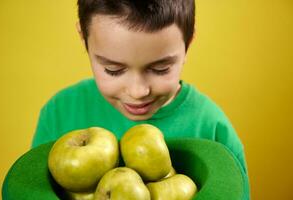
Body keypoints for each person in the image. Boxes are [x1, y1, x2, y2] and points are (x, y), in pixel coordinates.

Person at [32, 0, 250, 198]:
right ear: (83, 37)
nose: (138, 92)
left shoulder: (213, 130)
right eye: (113, 70)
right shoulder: (59, 113)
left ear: (188, 43)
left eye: (160, 68)